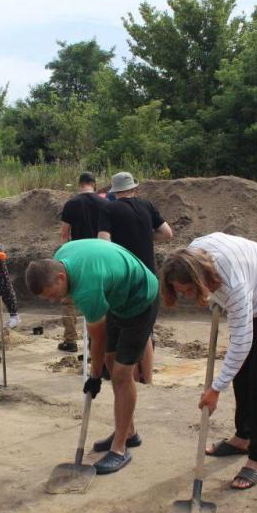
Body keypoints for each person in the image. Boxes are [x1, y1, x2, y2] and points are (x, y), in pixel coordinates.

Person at [158, 233, 257, 490]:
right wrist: (213, 299)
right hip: (247, 276)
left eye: (189, 290)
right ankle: (243, 437)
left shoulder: (233, 286)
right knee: (241, 375)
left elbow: (241, 342)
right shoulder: (191, 254)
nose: (185, 295)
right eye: (180, 290)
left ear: (201, 279)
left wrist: (215, 389)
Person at [26, 239, 160, 475]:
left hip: (140, 298)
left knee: (120, 374)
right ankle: (128, 432)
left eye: (51, 294)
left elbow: (97, 340)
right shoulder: (61, 257)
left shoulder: (86, 289)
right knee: (111, 362)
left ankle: (120, 449)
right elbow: (102, 342)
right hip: (117, 295)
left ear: (61, 278)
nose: (52, 301)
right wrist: (99, 369)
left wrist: (95, 376)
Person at [97, 171, 173, 383]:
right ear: (134, 188)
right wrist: (145, 238)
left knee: (123, 329)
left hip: (125, 278)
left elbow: (103, 243)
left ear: (114, 191)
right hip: (150, 276)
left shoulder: (109, 208)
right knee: (145, 331)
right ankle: (147, 380)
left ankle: (126, 380)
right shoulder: (147, 205)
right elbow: (167, 233)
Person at [57, 171, 106, 352]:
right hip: (100, 256)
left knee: (69, 300)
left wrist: (65, 257)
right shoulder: (105, 203)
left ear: (80, 184)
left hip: (76, 257)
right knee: (98, 299)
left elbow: (64, 234)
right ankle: (96, 341)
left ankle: (70, 340)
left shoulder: (71, 203)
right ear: (94, 184)